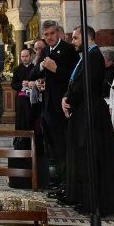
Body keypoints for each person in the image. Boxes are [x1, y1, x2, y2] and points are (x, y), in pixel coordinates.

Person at [60, 26, 114, 216]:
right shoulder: (86, 57)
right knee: (82, 156)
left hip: (91, 112)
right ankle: (85, 199)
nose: (73, 42)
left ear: (87, 37)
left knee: (90, 156)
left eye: (75, 38)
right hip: (83, 110)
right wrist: (66, 97)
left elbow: (84, 85)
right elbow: (75, 82)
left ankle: (94, 202)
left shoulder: (94, 57)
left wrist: (69, 99)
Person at [28, 20, 78, 196]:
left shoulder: (68, 49)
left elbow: (74, 77)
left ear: (58, 33)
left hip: (62, 105)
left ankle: (67, 185)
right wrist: (42, 68)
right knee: (51, 147)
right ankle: (56, 183)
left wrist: (55, 69)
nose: (49, 37)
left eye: (52, 33)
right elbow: (32, 74)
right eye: (46, 35)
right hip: (47, 106)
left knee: (63, 146)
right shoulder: (44, 51)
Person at [9, 48, 39, 188]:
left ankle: (31, 144)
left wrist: (31, 84)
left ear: (30, 56)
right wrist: (21, 85)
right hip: (21, 101)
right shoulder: (17, 69)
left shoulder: (35, 68)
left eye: (26, 56)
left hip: (32, 101)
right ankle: (20, 142)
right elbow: (13, 84)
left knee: (31, 122)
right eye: (22, 56)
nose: (24, 58)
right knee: (20, 122)